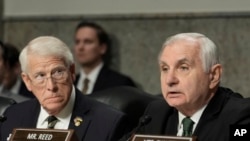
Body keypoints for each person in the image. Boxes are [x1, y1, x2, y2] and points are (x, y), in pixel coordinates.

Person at [121, 33, 250, 141]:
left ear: (213, 75)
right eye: (165, 69)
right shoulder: (156, 113)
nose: (170, 80)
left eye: (183, 68)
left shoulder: (241, 116)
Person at [0, 36, 128, 141]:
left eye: (58, 72)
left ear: (72, 72)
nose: (51, 86)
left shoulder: (109, 122)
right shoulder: (12, 116)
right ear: (27, 81)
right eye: (40, 76)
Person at [74, 21, 136, 94]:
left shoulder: (120, 84)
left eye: (88, 42)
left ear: (102, 48)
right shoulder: (70, 83)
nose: (80, 47)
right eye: (77, 42)